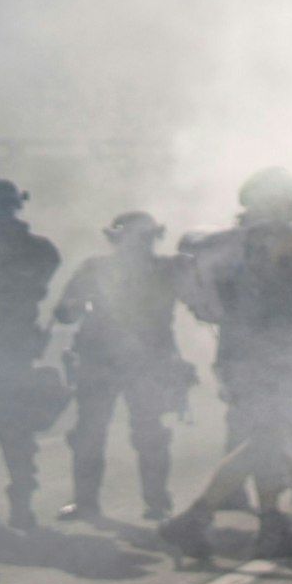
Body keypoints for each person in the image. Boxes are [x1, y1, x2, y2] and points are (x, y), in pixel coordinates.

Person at [159, 167, 292, 560]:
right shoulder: (282, 234)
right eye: (288, 193)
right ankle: (195, 518)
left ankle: (270, 525)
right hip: (274, 357)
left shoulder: (234, 239)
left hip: (237, 353)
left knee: (266, 438)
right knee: (266, 438)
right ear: (273, 198)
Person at [52, 212, 197, 521]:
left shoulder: (168, 270)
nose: (138, 245)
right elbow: (64, 312)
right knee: (89, 433)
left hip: (148, 361)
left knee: (150, 433)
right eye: (133, 238)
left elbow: (201, 302)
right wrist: (75, 306)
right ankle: (85, 502)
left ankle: (157, 501)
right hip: (99, 360)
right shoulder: (95, 269)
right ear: (117, 240)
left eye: (145, 238)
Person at [0, 180, 64, 531]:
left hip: (12, 349)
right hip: (16, 349)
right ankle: (22, 503)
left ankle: (22, 503)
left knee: (16, 431)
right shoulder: (40, 249)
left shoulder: (38, 250)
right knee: (16, 434)